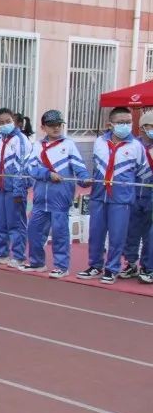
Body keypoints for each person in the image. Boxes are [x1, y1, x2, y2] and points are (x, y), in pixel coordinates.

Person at [76, 107, 146, 284]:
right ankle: (95, 265)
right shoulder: (99, 141)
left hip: (121, 199)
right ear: (110, 124)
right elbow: (96, 166)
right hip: (99, 196)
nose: (125, 125)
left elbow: (143, 173)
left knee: (117, 236)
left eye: (128, 122)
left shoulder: (136, 146)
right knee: (96, 234)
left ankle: (112, 268)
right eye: (121, 122)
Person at [21, 110, 90, 278]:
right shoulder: (38, 145)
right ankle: (37, 262)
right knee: (34, 231)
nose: (56, 128)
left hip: (60, 197)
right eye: (51, 125)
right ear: (43, 127)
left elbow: (79, 167)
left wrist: (84, 179)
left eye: (59, 125)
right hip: (40, 198)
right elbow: (29, 167)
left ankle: (61, 266)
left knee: (60, 233)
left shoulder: (69, 144)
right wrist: (47, 174)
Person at [0, 108, 30, 267]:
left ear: (14, 121)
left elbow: (22, 166)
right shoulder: (0, 139)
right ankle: (1, 253)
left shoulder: (21, 140)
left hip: (14, 189)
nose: (4, 125)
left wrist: (19, 189)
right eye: (1, 123)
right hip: (0, 188)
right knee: (0, 222)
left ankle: (19, 256)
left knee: (16, 224)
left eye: (7, 121)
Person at [122, 111, 153, 280]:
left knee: (150, 235)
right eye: (151, 127)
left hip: (151, 198)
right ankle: (131, 263)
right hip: (133, 196)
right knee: (131, 232)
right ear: (142, 128)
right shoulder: (133, 145)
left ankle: (148, 267)